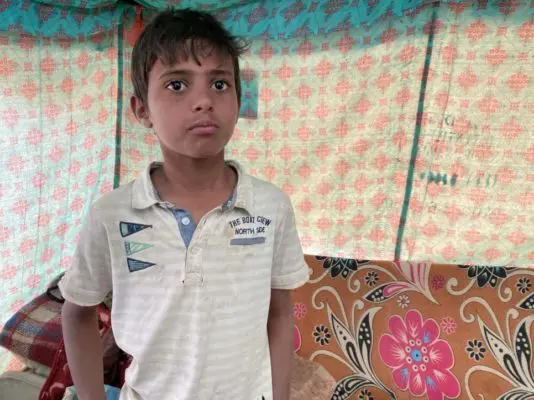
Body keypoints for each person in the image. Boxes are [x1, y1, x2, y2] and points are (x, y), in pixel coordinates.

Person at [59, 8, 309, 400]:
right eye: (177, 85)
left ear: (239, 99)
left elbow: (279, 314)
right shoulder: (112, 214)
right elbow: (77, 312)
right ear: (141, 109)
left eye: (220, 84)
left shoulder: (270, 207)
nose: (203, 101)